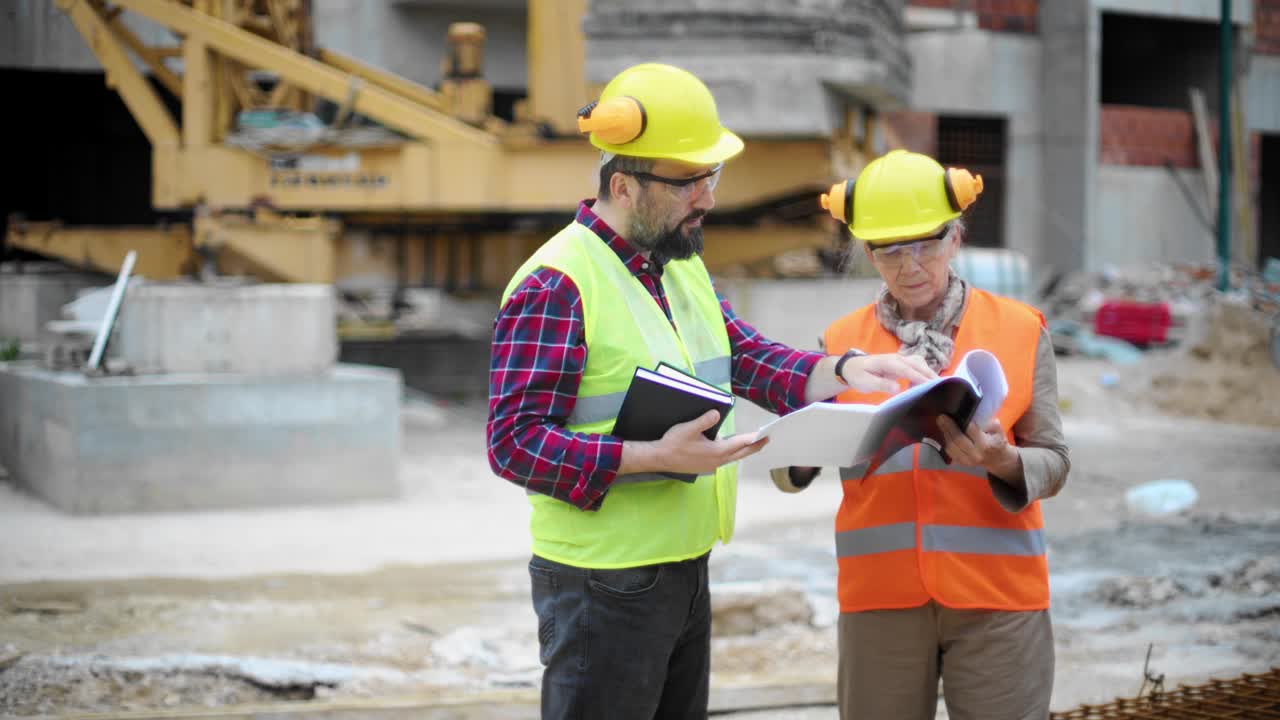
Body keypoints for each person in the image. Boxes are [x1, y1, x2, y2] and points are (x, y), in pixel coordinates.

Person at [486, 64, 935, 720]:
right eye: (690, 181)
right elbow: (513, 445)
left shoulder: (678, 262)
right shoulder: (556, 284)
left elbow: (746, 354)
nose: (709, 197)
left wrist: (843, 370)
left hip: (681, 568)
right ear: (624, 185)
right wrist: (652, 458)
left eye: (711, 177)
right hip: (599, 584)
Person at [772, 148, 1070, 720]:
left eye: (926, 244)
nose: (910, 265)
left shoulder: (1020, 329)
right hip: (879, 598)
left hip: (997, 597)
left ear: (955, 238)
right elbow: (790, 469)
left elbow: (1054, 460)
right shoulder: (840, 341)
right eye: (889, 250)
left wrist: (1002, 460)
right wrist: (806, 451)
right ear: (868, 252)